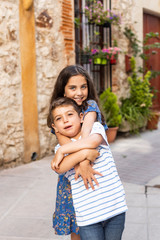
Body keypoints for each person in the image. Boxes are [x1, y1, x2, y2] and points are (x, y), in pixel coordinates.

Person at [49, 97, 128, 240]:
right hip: (88, 217)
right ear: (55, 127)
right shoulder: (58, 149)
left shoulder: (95, 129)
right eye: (59, 118)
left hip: (114, 208)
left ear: (81, 117)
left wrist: (64, 151)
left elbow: (93, 142)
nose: (65, 120)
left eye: (70, 114)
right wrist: (85, 153)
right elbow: (59, 168)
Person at [47, 65, 108, 240]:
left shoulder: (90, 107)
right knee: (77, 228)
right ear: (63, 91)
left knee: (98, 224)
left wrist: (84, 161)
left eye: (83, 86)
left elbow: (86, 138)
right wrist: (83, 160)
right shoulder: (59, 114)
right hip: (72, 178)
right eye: (72, 88)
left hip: (95, 173)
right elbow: (74, 147)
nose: (79, 92)